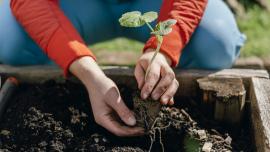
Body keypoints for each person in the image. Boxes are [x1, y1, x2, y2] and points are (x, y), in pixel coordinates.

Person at [0, 0, 245, 136]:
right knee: (7, 38)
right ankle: (54, 83)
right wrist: (88, 72)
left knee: (216, 44)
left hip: (152, 3)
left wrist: (162, 52)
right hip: (79, 5)